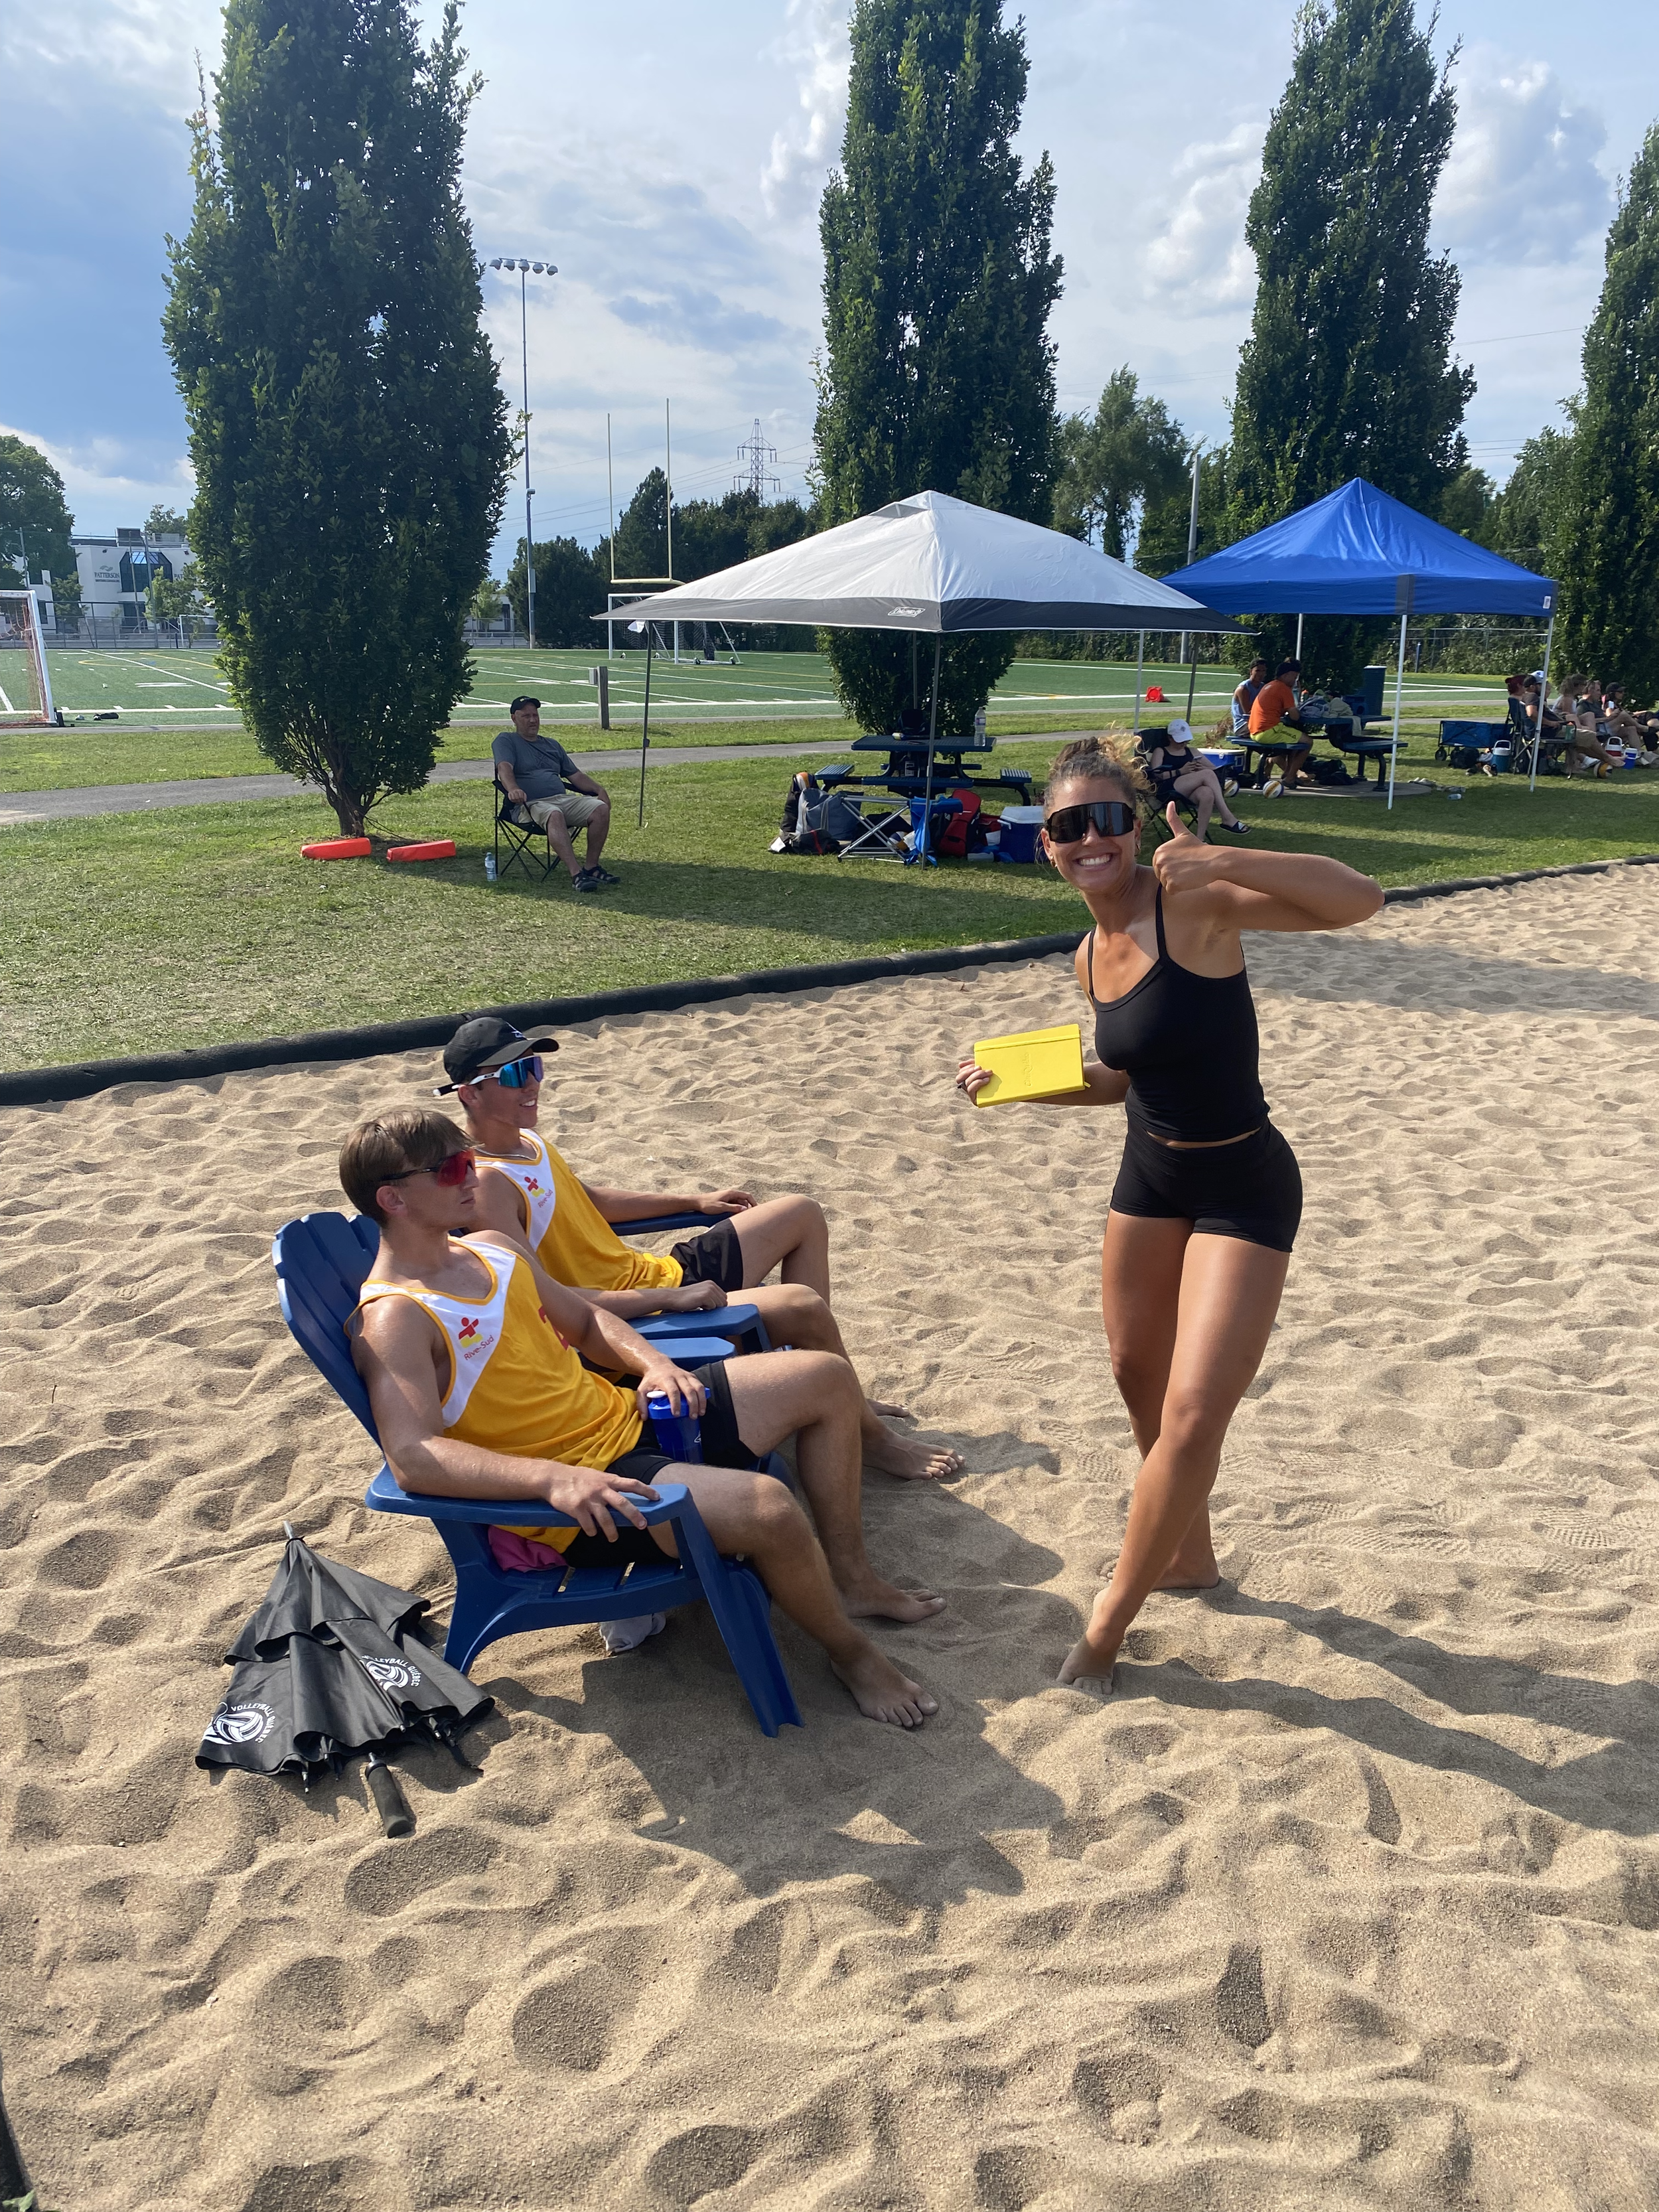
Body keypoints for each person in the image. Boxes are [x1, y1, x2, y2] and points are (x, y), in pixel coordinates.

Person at [954, 734, 1382, 1696]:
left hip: (1245, 1185)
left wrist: (1225, 853)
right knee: (1134, 1375)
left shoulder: (1190, 901)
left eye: (1109, 818)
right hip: (1151, 1179)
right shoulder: (1084, 956)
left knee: (1192, 1415)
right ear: (1049, 846)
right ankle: (1189, 1554)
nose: (1091, 837)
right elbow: (1120, 1079)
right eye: (1070, 825)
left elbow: (1360, 898)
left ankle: (1106, 1628)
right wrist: (1020, 1089)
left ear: (1136, 824)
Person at [341, 1109, 942, 1726]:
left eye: (468, 1160)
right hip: (590, 1486)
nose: (471, 1174)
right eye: (450, 1169)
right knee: (770, 1508)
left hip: (628, 1413)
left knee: (827, 1376)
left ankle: (851, 1578)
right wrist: (551, 1480)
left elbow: (588, 1321)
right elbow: (413, 1457)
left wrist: (653, 1364)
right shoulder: (395, 1317)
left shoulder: (489, 1250)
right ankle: (852, 1654)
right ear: (393, 1197)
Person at [439, 1016, 962, 1482]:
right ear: (469, 1094)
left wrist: (694, 1199)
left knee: (801, 1213)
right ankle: (865, 1432)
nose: (531, 1083)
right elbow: (542, 1300)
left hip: (655, 1273)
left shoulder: (526, 1142)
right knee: (800, 1304)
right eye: (511, 1075)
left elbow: (587, 1200)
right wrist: (666, 1300)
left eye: (533, 1067)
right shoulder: (485, 1187)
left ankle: (836, 1395)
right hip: (635, 1314)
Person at [492, 696, 617, 892]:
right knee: (554, 813)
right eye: (526, 716)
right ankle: (577, 874)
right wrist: (513, 789)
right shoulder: (506, 740)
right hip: (528, 805)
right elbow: (504, 768)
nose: (532, 720)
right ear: (514, 718)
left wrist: (600, 790)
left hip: (562, 800)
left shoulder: (552, 745)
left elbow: (575, 776)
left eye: (535, 715)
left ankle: (591, 867)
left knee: (600, 809)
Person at [1139, 719, 1249, 842]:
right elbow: (1155, 775)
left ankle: (1199, 840)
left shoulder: (1192, 751)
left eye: (1185, 740)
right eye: (1180, 740)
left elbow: (1215, 769)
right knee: (1207, 774)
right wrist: (1180, 771)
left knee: (1207, 793)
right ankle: (1227, 817)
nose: (1184, 743)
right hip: (1167, 788)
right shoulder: (1161, 751)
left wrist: (1202, 768)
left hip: (1189, 789)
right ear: (1170, 738)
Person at [1247, 660, 1315, 788]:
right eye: (1294, 677)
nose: (1295, 681)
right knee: (1307, 742)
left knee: (1296, 739)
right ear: (1286, 675)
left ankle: (1289, 774)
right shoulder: (1283, 688)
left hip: (1255, 731)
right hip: (1268, 730)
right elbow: (1295, 716)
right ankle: (1290, 778)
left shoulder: (1271, 685)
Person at [1230, 660, 1270, 738]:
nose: (1261, 674)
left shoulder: (1263, 687)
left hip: (1257, 722)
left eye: (1263, 671)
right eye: (1258, 671)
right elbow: (1248, 714)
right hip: (1243, 725)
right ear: (1251, 671)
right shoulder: (1243, 689)